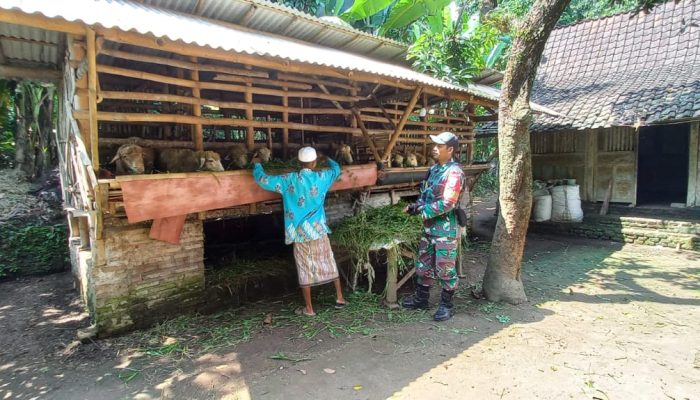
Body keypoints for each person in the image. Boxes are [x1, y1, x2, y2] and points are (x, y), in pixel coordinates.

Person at [252, 146, 347, 316]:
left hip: (299, 231)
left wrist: (257, 165)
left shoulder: (289, 179)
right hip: (318, 229)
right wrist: (327, 158)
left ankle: (309, 309)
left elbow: (263, 180)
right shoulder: (322, 176)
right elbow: (336, 169)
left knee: (304, 267)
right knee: (327, 259)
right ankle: (339, 297)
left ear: (298, 162)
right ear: (314, 162)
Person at [402, 132, 466, 321]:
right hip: (429, 227)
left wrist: (423, 211)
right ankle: (422, 299)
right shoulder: (434, 169)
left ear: (450, 149)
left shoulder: (454, 172)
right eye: (434, 145)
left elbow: (448, 202)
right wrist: (416, 205)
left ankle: (447, 305)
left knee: (444, 267)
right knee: (423, 264)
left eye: (439, 146)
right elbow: (425, 193)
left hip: (445, 228)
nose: (434, 148)